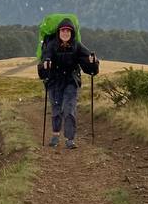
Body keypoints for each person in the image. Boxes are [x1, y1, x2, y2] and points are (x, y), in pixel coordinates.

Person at [37, 18, 100, 149]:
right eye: (63, 31)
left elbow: (89, 63)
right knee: (56, 109)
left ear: (72, 33)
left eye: (68, 31)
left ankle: (69, 139)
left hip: (71, 81)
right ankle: (55, 135)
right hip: (55, 82)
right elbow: (44, 59)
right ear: (59, 32)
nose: (65, 33)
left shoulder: (77, 45)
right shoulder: (51, 45)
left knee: (69, 109)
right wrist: (46, 65)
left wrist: (93, 62)